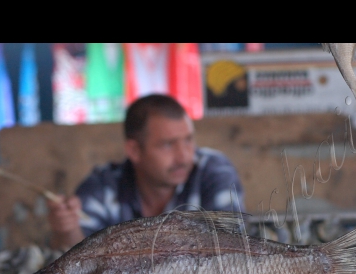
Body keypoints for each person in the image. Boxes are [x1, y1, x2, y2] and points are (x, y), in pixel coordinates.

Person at [47, 94, 245, 250]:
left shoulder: (213, 172)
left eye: (188, 140)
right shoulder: (103, 186)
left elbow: (231, 254)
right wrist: (67, 230)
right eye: (168, 145)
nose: (184, 157)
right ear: (134, 150)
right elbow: (76, 267)